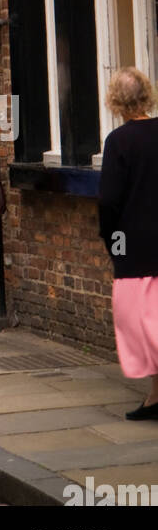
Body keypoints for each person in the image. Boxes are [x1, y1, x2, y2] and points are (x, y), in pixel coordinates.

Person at [98, 67, 158, 420]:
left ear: (116, 101)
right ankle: (155, 396)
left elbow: (108, 202)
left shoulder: (118, 141)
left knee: (140, 324)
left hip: (134, 249)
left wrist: (113, 244)